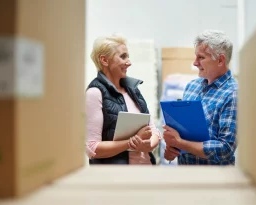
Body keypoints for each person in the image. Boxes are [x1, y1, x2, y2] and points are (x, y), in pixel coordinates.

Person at [163, 30, 238, 165]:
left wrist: (181, 143)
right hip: (186, 176)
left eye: (201, 58)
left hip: (215, 181)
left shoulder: (233, 94)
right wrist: (172, 148)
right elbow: (184, 134)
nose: (195, 63)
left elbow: (225, 148)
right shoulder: (192, 87)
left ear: (220, 60)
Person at [85, 35, 160, 165]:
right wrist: (132, 142)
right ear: (104, 60)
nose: (129, 62)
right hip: (118, 177)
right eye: (123, 56)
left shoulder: (133, 90)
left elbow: (154, 131)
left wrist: (148, 145)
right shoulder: (95, 93)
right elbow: (92, 148)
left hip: (146, 172)